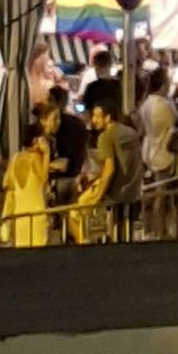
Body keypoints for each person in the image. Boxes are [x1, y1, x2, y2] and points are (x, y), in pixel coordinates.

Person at [70, 88, 143, 241]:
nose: (93, 120)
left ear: (108, 117)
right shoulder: (130, 132)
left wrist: (97, 196)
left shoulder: (105, 136)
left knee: (75, 212)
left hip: (115, 193)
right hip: (134, 191)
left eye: (97, 116)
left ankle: (83, 245)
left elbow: (110, 169)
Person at [0, 121, 52, 249]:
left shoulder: (16, 158)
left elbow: (7, 183)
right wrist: (47, 154)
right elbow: (43, 181)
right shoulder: (36, 158)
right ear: (36, 140)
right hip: (36, 214)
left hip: (19, 215)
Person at [42, 84, 89, 201]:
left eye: (49, 100)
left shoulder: (56, 126)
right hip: (76, 175)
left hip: (59, 178)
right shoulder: (79, 123)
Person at [136, 65, 176, 179]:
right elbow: (174, 125)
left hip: (148, 150)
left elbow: (141, 130)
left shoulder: (145, 104)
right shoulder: (164, 105)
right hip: (163, 153)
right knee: (162, 191)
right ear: (163, 85)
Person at [80, 48, 116, 114]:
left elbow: (84, 109)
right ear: (110, 64)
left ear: (96, 66)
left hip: (97, 121)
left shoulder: (92, 87)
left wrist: (78, 108)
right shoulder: (119, 85)